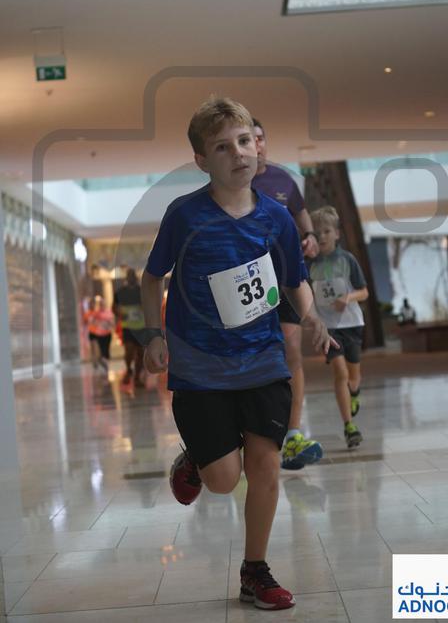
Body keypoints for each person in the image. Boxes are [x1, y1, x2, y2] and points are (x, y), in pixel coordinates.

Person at [141, 97, 336, 611]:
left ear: (258, 146)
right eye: (223, 147)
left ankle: (256, 571)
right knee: (224, 481)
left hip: (264, 359)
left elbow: (295, 280)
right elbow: (152, 278)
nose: (239, 153)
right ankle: (197, 459)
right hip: (200, 366)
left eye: (245, 141)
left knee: (266, 465)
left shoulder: (277, 218)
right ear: (202, 161)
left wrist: (313, 318)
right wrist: (154, 335)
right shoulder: (185, 215)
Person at [252, 118, 323, 471]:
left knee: (291, 352)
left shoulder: (283, 179)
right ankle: (251, 433)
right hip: (249, 284)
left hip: (285, 280)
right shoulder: (232, 183)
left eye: (259, 138)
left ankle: (293, 434)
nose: (255, 145)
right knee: (257, 356)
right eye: (248, 139)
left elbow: (301, 213)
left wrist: (310, 236)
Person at [310, 206, 369, 448]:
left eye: (326, 231)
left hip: (352, 324)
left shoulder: (347, 260)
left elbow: (364, 292)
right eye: (317, 232)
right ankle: (349, 427)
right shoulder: (308, 264)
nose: (322, 236)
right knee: (340, 373)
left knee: (353, 377)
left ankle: (354, 392)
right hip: (329, 329)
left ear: (336, 233)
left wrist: (347, 298)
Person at [113, 268, 146, 386]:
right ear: (127, 278)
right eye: (129, 275)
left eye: (133, 275)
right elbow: (114, 307)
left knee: (141, 352)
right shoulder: (121, 292)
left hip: (141, 326)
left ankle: (137, 377)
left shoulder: (141, 291)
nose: (131, 278)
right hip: (128, 326)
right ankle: (128, 370)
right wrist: (120, 313)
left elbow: (149, 304)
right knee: (129, 350)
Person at [83, 295, 114, 374]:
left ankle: (103, 360)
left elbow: (112, 322)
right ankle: (98, 361)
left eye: (103, 304)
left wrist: (109, 324)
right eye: (101, 304)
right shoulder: (95, 313)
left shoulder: (108, 312)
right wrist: (97, 323)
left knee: (105, 349)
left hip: (107, 333)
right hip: (97, 333)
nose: (102, 305)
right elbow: (89, 322)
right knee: (98, 348)